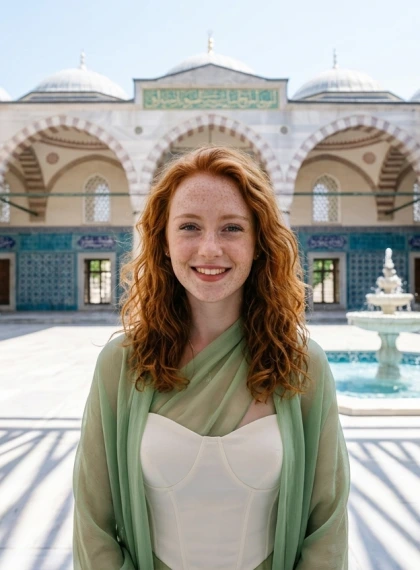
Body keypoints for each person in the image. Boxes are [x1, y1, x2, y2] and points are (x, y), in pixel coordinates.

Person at [73, 145, 350, 570]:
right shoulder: (123, 364)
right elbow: (93, 522)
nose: (209, 249)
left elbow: (326, 523)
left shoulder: (301, 364)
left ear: (258, 243)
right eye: (189, 226)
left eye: (232, 228)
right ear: (164, 242)